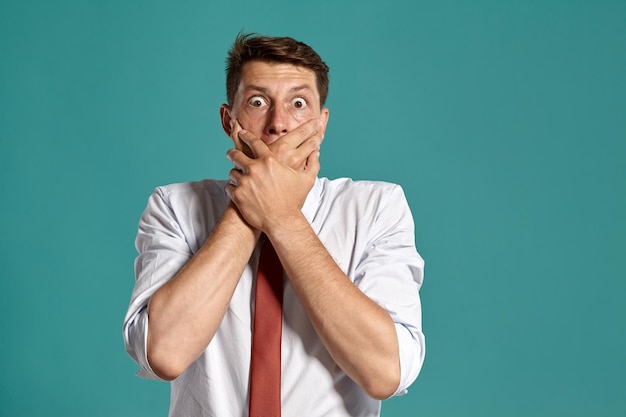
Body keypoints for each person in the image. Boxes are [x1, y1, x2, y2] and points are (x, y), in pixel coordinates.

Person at [123, 33, 425, 417]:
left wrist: (282, 216)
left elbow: (386, 372)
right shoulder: (175, 206)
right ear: (228, 121)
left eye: (298, 103)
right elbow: (164, 353)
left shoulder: (377, 207)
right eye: (258, 102)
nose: (278, 123)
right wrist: (250, 209)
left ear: (321, 124)